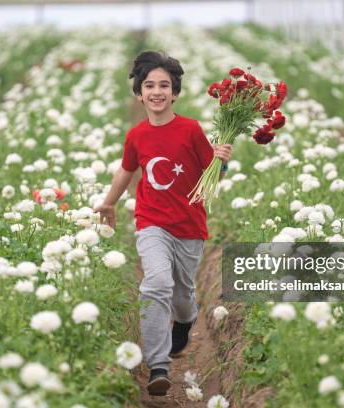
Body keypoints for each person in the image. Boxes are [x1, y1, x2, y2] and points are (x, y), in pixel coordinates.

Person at [97, 51, 232, 396]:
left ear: (174, 93)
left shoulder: (190, 130)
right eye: (149, 85)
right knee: (156, 284)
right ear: (139, 94)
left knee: (183, 295)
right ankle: (158, 364)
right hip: (151, 222)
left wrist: (221, 161)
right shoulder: (137, 136)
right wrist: (109, 202)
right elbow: (126, 171)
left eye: (164, 85)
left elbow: (210, 176)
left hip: (189, 227)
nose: (157, 91)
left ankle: (185, 321)